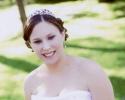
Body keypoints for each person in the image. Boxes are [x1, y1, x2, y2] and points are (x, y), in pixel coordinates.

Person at [23, 9, 115, 100]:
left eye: (51, 37)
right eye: (37, 41)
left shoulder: (91, 71)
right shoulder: (30, 82)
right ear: (30, 44)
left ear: (62, 34)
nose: (46, 47)